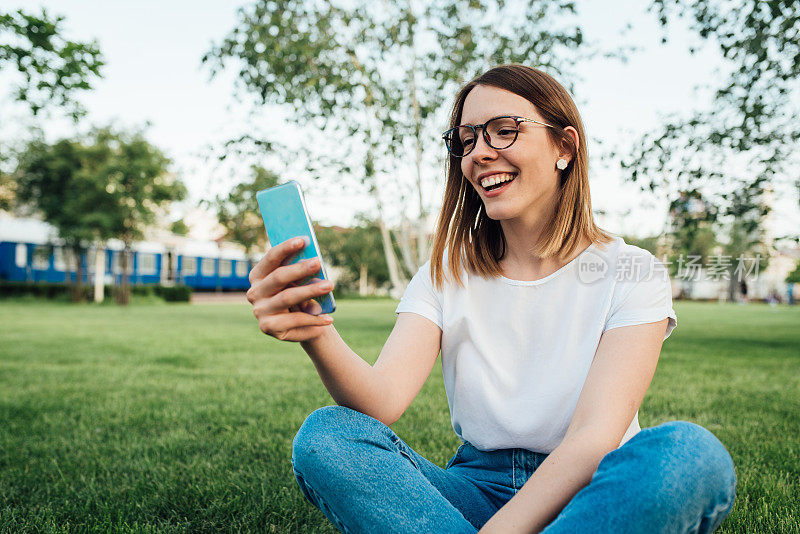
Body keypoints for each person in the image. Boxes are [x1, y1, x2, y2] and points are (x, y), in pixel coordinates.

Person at [246, 65, 737, 533]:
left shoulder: (631, 270)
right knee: (328, 437)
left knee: (691, 454)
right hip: (475, 487)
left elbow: (593, 437)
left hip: (592, 492)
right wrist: (315, 330)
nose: (479, 153)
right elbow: (381, 401)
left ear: (565, 146)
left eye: (504, 130)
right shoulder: (444, 273)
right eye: (466, 140)